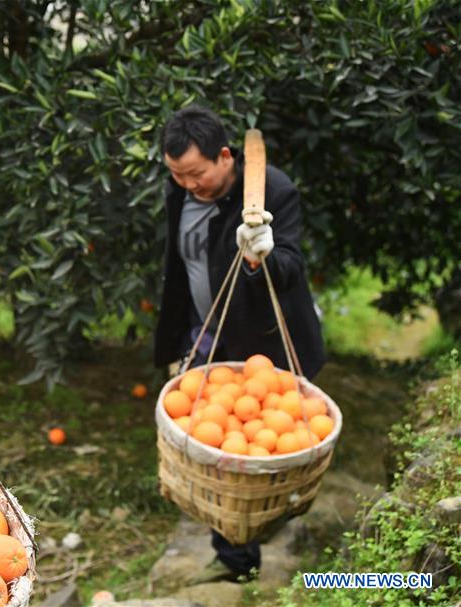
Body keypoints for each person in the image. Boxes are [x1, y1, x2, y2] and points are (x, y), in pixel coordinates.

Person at [153, 105, 325, 583]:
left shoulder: (274, 190)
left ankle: (251, 540)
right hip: (202, 331)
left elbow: (289, 268)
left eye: (196, 173)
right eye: (177, 175)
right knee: (219, 444)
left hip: (260, 340)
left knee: (255, 446)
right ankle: (235, 558)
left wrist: (259, 256)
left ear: (225, 156)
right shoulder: (181, 189)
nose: (188, 184)